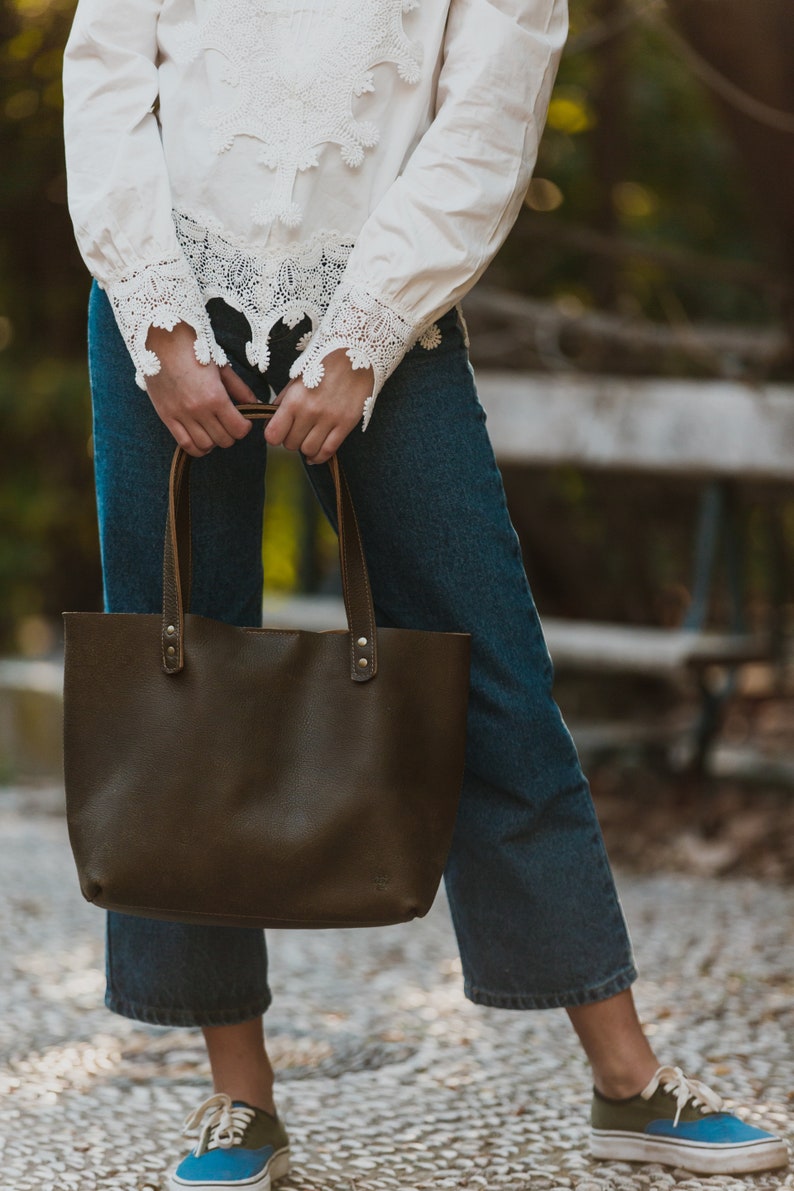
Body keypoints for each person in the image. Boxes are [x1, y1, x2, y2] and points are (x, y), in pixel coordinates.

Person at [62, 1, 788, 1188]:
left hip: (384, 312)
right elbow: (102, 74)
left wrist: (360, 339)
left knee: (490, 670)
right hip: (162, 299)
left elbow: (484, 131)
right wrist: (158, 320)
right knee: (174, 675)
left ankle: (627, 1083)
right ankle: (238, 1103)